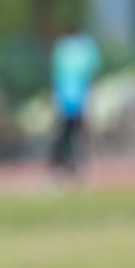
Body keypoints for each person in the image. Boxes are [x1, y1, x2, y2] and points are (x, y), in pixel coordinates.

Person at [49, 28, 100, 177]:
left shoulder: (78, 47)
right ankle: (64, 164)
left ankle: (75, 165)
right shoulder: (75, 47)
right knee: (68, 132)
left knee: (75, 133)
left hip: (76, 96)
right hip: (69, 96)